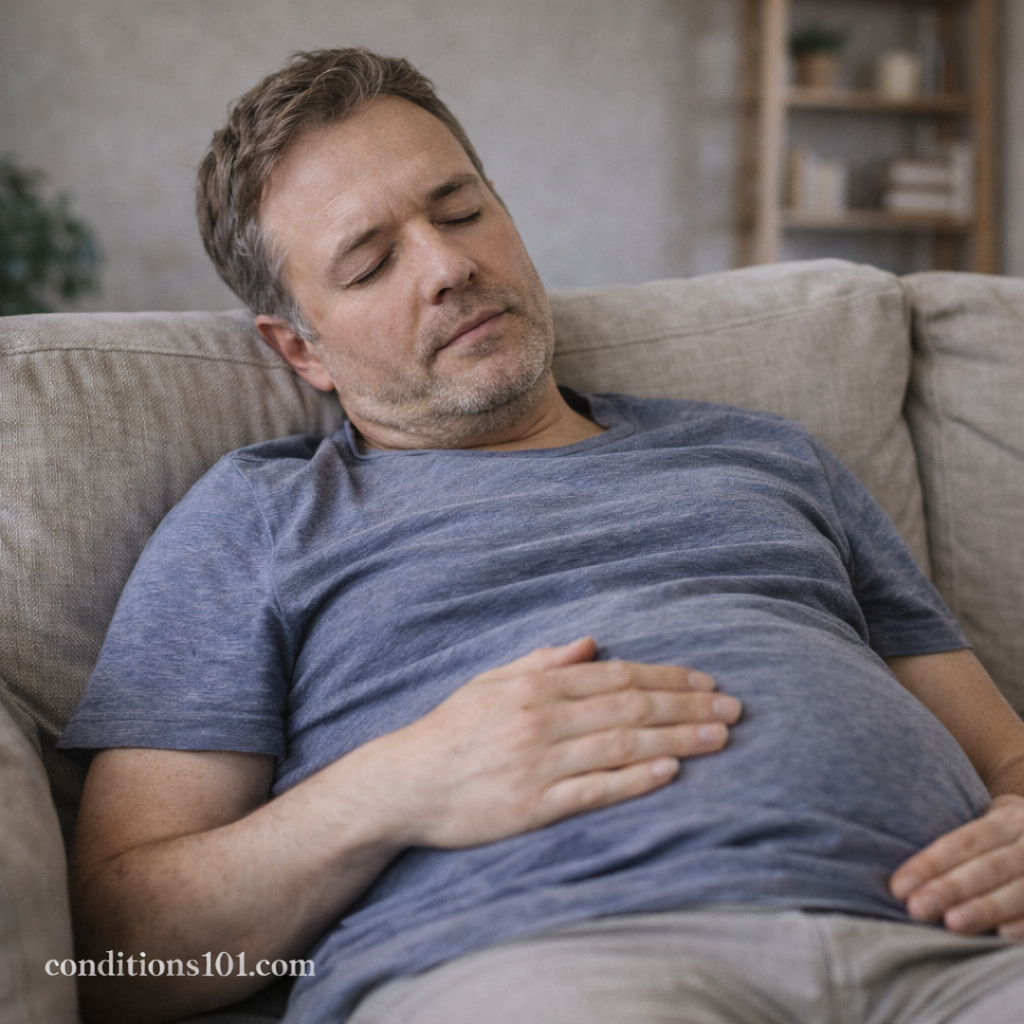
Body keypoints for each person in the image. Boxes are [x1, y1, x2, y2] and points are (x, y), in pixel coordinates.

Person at [60, 48, 1024, 1024]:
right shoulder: (256, 520)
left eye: (461, 210)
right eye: (370, 262)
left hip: (950, 948)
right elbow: (113, 953)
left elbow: (1002, 751)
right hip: (551, 962)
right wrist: (400, 781)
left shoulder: (767, 455)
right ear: (300, 348)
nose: (448, 267)